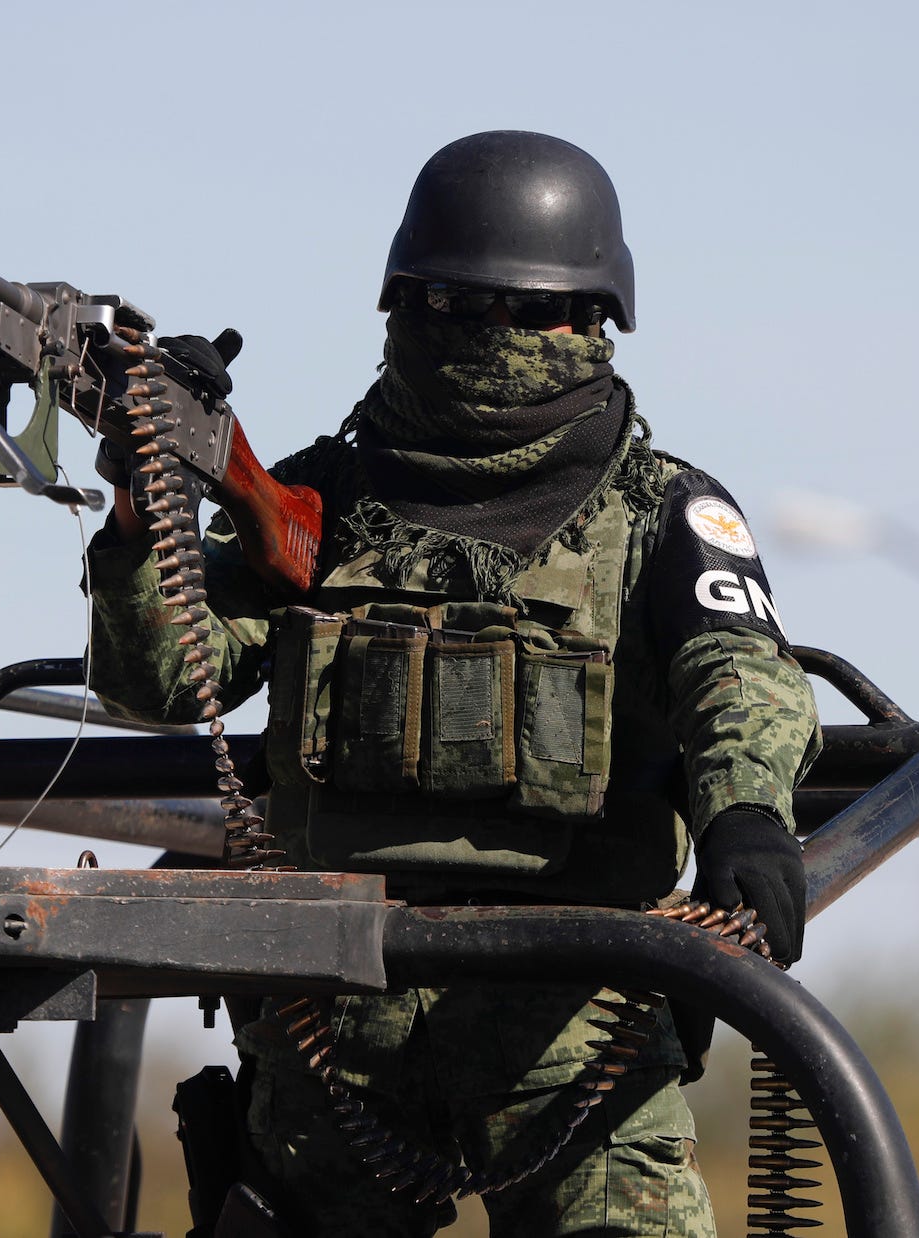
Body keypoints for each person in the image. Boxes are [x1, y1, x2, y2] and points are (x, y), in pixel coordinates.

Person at [86, 130, 821, 1238]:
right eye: (457, 306)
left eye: (528, 314)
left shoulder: (663, 512)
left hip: (577, 1032)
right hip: (332, 1042)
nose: (492, 338)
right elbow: (159, 678)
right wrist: (150, 503)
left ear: (592, 322)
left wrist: (749, 811)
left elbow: (741, 674)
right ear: (404, 302)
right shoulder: (319, 501)